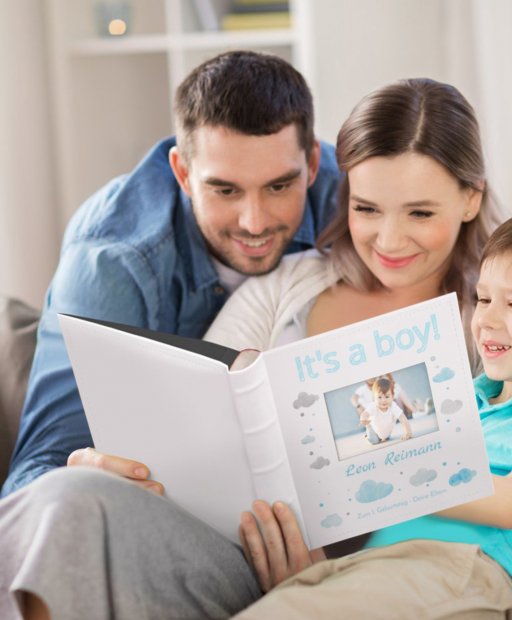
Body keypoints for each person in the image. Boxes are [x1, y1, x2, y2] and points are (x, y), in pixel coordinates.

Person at [0, 77, 500, 620]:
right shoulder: (291, 283)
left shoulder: (491, 324)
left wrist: (320, 578)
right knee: (71, 497)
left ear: (470, 197)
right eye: (367, 209)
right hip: (215, 547)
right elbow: (189, 407)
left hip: (357, 582)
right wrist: (109, 464)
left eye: (420, 214)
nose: (389, 239)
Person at [225, 204, 512, 620]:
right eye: (483, 298)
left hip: (461, 571)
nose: (486, 318)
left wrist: (396, 469)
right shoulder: (465, 394)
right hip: (374, 566)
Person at [1, 50, 340, 497]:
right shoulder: (113, 262)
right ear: (182, 172)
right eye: (224, 189)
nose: (254, 221)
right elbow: (31, 478)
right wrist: (80, 482)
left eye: (279, 186)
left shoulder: (355, 201)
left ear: (312, 163)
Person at [359, 376, 413, 444]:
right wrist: (363, 419)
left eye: (387, 397)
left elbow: (403, 419)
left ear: (392, 396)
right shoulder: (373, 406)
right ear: (374, 397)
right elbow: (365, 414)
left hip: (387, 433)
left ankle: (383, 437)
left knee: (386, 437)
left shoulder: (393, 406)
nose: (383, 400)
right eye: (379, 397)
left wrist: (408, 432)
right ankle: (369, 429)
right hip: (374, 430)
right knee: (374, 441)